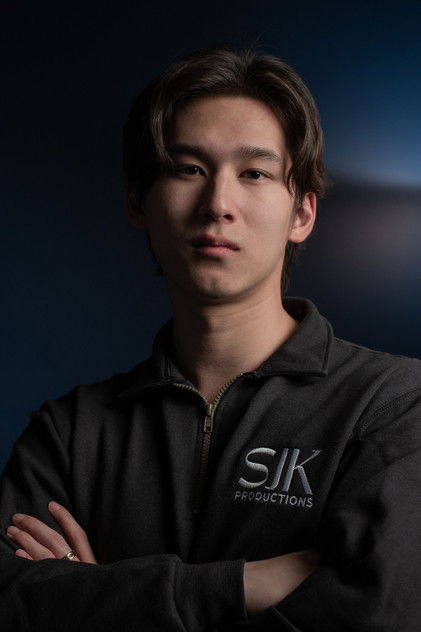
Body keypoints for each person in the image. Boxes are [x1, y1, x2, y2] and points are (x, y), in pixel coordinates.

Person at [1, 46, 420, 631]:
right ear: (138, 202)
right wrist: (245, 584)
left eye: (254, 173)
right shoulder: (69, 433)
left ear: (302, 213)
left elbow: (377, 614)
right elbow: (10, 605)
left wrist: (98, 597)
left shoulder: (394, 406)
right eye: (188, 169)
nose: (218, 204)